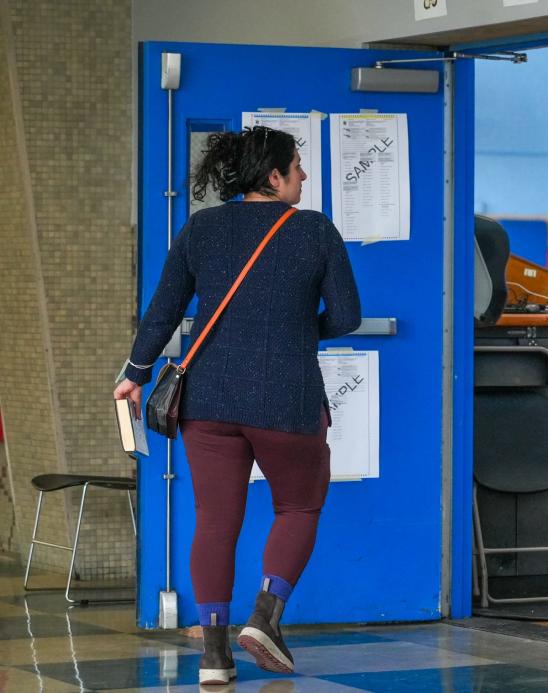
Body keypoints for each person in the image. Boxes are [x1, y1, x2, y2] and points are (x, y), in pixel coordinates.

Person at [113, 126, 361, 685]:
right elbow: (345, 315)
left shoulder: (201, 228)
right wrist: (298, 331)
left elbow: (163, 311)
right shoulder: (315, 231)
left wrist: (134, 375)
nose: (303, 176)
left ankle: (214, 657)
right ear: (273, 177)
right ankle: (266, 617)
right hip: (288, 399)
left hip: (210, 400)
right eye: (297, 166)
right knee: (297, 509)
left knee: (216, 521)